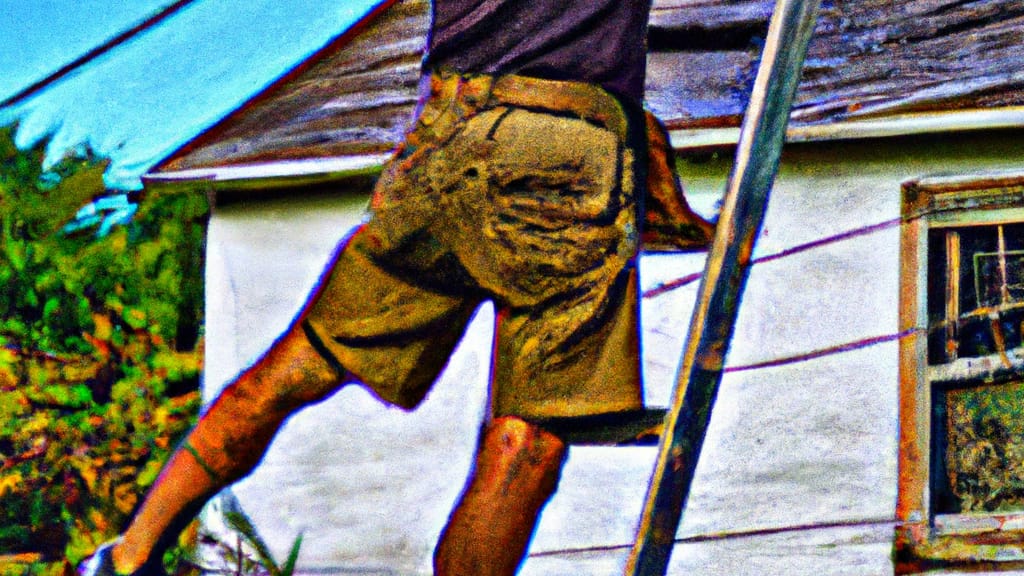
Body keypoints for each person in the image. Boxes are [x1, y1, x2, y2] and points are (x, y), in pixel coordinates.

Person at [79, 0, 713, 574]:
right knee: (527, 438)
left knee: (300, 362)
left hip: (449, 129)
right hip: (569, 147)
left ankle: (127, 557)